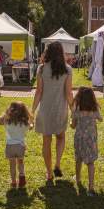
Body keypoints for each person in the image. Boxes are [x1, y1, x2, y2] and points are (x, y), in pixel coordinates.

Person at [32, 42, 74, 182]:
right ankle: (57, 164)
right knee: (61, 137)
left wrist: (32, 111)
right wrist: (73, 110)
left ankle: (49, 172)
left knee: (46, 141)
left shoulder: (41, 68)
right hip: (60, 109)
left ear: (48, 52)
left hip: (45, 110)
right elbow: (69, 93)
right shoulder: (68, 69)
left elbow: (38, 91)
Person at [71, 87, 103, 195]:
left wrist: (71, 123)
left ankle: (78, 180)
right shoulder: (94, 110)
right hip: (91, 140)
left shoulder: (77, 110)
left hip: (79, 139)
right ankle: (91, 187)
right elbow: (100, 118)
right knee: (90, 163)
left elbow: (73, 125)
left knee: (78, 160)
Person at [0, 101, 33, 189]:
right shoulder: (24, 123)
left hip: (10, 146)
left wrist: (5, 114)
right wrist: (31, 122)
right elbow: (31, 126)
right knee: (20, 162)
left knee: (12, 164)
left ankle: (13, 182)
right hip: (20, 146)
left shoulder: (7, 122)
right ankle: (22, 177)